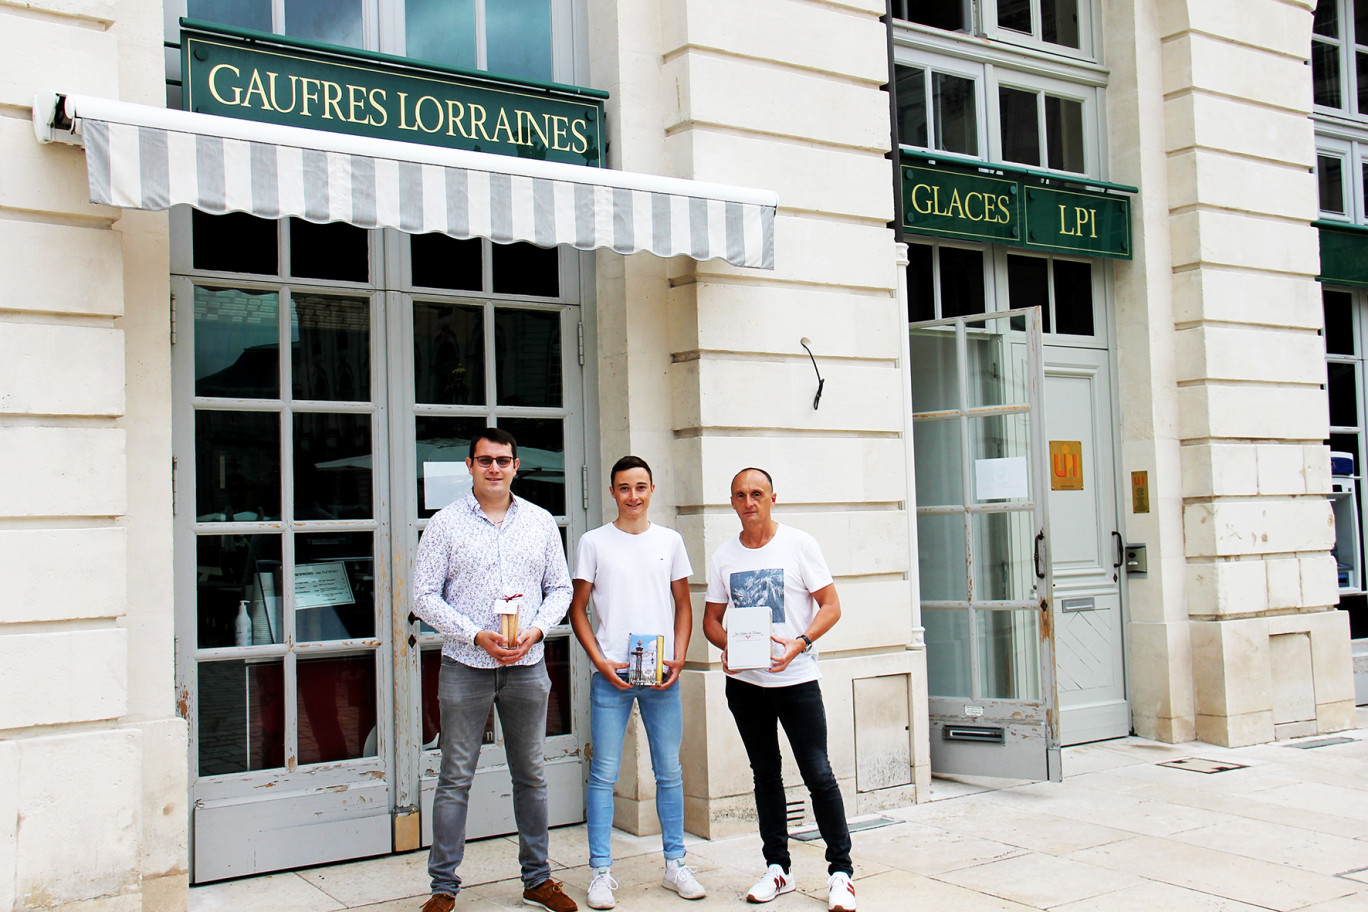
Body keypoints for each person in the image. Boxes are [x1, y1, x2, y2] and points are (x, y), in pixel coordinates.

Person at [412, 427, 577, 912]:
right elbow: (423, 596)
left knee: (531, 774)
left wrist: (538, 631)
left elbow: (561, 589)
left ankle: (538, 879)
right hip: (466, 664)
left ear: (516, 466)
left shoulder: (541, 522)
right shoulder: (444, 523)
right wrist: (474, 634)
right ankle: (443, 888)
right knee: (455, 776)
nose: (494, 468)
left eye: (503, 460)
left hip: (526, 664)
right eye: (485, 460)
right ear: (469, 466)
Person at [703, 468, 856, 912]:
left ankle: (841, 872)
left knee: (818, 773)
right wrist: (727, 645)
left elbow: (832, 606)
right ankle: (777, 868)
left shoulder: (799, 544)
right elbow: (713, 619)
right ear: (732, 502)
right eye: (740, 495)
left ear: (772, 498)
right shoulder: (724, 556)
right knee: (765, 774)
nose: (748, 502)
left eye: (756, 494)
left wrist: (801, 643)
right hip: (745, 684)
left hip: (797, 680)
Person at [568, 456, 706, 909]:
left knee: (669, 771)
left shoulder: (670, 540)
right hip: (612, 674)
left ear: (652, 489)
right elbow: (578, 610)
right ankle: (601, 873)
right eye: (624, 488)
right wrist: (599, 661)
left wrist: (680, 655)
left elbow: (683, 604)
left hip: (661, 672)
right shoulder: (593, 542)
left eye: (641, 487)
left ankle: (675, 864)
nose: (633, 496)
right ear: (612, 492)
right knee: (605, 773)